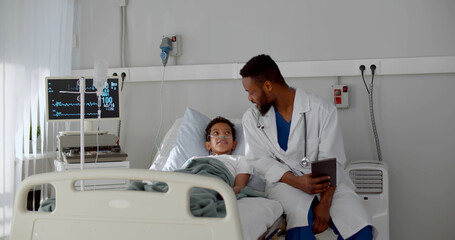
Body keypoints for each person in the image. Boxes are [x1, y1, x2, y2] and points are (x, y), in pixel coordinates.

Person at [240, 54, 373, 240]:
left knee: (360, 229)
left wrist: (325, 203)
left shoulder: (322, 110)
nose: (249, 98)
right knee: (300, 222)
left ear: (268, 86)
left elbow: (331, 161)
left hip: (329, 184)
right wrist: (297, 181)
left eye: (251, 92)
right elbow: (260, 160)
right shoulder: (252, 119)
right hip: (285, 184)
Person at [185, 116, 252, 194]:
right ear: (208, 145)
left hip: (213, 184)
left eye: (227, 133)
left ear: (234, 144)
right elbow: (178, 176)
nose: (222, 136)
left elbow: (239, 186)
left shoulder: (241, 160)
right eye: (216, 133)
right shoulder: (194, 159)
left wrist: (227, 192)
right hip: (188, 181)